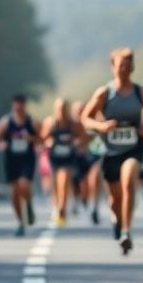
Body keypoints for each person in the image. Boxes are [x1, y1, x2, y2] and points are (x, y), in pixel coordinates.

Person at [81, 48, 143, 255]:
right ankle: (117, 220)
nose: (123, 69)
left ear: (132, 67)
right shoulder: (104, 93)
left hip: (134, 147)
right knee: (115, 199)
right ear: (113, 67)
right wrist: (101, 127)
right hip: (110, 150)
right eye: (119, 65)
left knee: (129, 180)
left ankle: (126, 232)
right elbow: (85, 118)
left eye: (127, 65)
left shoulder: (141, 93)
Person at [0, 94, 41, 237]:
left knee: (24, 184)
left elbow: (42, 139)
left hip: (27, 158)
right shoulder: (5, 122)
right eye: (16, 104)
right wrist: (1, 146)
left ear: (25, 105)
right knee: (14, 193)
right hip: (11, 159)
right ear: (13, 105)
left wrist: (31, 139)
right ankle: (20, 222)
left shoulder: (32, 122)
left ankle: (29, 205)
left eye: (21, 104)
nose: (18, 107)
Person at [40, 97, 84, 227]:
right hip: (54, 158)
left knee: (64, 182)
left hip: (69, 157)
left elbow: (83, 138)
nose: (61, 111)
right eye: (59, 108)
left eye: (64, 108)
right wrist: (49, 142)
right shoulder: (50, 122)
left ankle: (62, 211)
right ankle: (56, 207)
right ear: (55, 109)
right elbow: (42, 138)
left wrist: (76, 142)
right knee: (55, 185)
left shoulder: (74, 124)